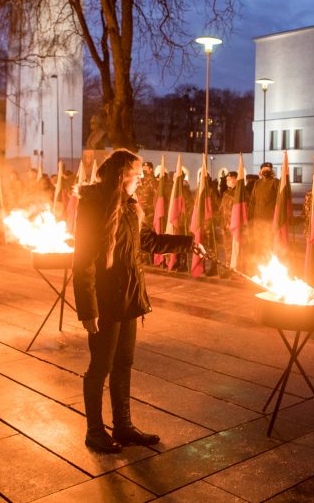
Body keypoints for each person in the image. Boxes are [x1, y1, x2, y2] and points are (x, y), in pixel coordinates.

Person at [73, 149, 197, 454]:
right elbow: (83, 260)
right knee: (100, 366)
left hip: (128, 296)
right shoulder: (94, 204)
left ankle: (124, 426)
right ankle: (94, 431)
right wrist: (88, 310)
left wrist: (189, 244)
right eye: (137, 171)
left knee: (124, 363)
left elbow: (149, 241)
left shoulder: (130, 205)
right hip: (104, 300)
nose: (142, 176)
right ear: (121, 173)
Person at [248, 162, 279, 267]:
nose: (266, 171)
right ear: (260, 171)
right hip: (257, 222)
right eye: (264, 169)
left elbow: (280, 202)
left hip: (269, 222)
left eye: (268, 169)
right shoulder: (257, 183)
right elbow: (252, 202)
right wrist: (250, 218)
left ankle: (268, 268)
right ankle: (259, 268)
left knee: (268, 247)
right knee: (258, 246)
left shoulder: (275, 182)